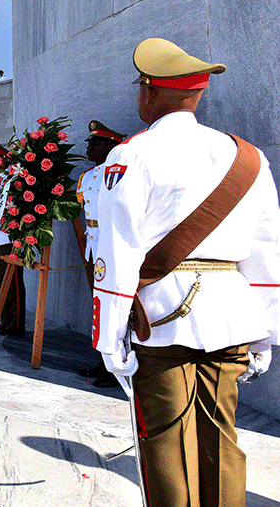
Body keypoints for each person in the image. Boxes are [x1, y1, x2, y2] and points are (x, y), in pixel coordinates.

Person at [94, 38, 280, 507]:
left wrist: (110, 336)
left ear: (150, 92)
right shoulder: (249, 158)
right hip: (232, 316)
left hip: (162, 316)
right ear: (197, 95)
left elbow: (118, 251)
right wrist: (266, 331)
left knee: (165, 441)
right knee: (222, 438)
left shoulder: (130, 155)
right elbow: (265, 252)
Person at [75, 120, 125, 388]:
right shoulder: (89, 176)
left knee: (114, 307)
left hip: (112, 245)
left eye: (96, 143)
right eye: (90, 142)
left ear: (112, 145)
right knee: (99, 306)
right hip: (94, 245)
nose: (90, 146)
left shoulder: (117, 173)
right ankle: (104, 359)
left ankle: (118, 365)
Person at [0, 146, 26, 335]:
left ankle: (16, 322)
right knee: (3, 280)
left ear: (4, 160)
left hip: (10, 237)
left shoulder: (12, 180)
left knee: (14, 281)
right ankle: (6, 319)